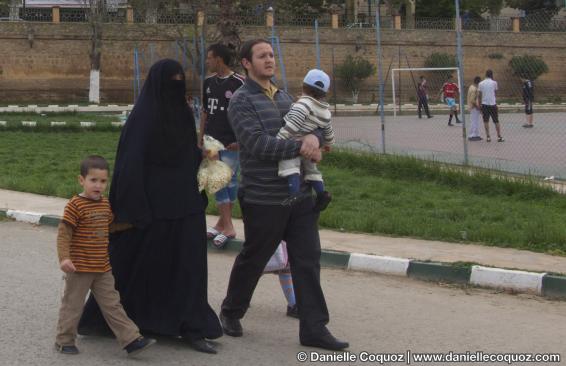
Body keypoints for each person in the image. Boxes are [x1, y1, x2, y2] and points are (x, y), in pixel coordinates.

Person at [78, 59, 223, 354]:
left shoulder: (182, 113)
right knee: (141, 266)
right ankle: (119, 320)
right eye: (171, 82)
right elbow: (130, 165)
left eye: (180, 82)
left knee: (188, 267)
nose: (176, 88)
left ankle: (191, 326)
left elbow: (183, 154)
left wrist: (204, 157)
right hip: (152, 207)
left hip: (185, 204)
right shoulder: (143, 117)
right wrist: (133, 208)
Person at [219, 39, 349, 351]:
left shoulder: (286, 97)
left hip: (300, 194)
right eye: (262, 56)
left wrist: (315, 138)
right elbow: (257, 144)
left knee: (307, 259)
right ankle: (231, 311)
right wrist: (300, 145)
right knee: (255, 256)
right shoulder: (240, 101)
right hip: (263, 197)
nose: (269, 60)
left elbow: (312, 127)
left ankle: (314, 329)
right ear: (247, 63)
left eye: (271, 55)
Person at [55, 155, 155, 356]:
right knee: (72, 306)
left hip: (102, 268)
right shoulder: (75, 205)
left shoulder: (104, 204)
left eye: (102, 181)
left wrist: (131, 224)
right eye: (93, 180)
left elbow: (108, 227)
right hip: (80, 268)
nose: (98, 185)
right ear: (81, 180)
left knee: (113, 305)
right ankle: (64, 340)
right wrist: (64, 258)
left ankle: (131, 340)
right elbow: (64, 233)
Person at [199, 43, 245, 248]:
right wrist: (200, 137)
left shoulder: (239, 83)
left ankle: (224, 225)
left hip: (232, 142)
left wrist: (241, 139)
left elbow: (246, 114)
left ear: (218, 59)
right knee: (218, 181)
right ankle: (226, 225)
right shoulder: (208, 82)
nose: (207, 61)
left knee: (230, 181)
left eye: (209, 58)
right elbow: (204, 112)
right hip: (212, 141)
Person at [277, 68, 335, 211]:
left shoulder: (303, 105)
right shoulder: (325, 111)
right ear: (325, 93)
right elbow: (328, 130)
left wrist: (281, 137)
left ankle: (295, 194)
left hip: (295, 141)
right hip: (311, 148)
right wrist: (328, 143)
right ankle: (322, 193)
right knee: (312, 170)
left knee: (289, 165)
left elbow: (293, 124)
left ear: (303, 86)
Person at [478, 69, 504, 142]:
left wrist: (480, 105)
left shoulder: (481, 83)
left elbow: (479, 95)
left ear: (485, 75)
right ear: (491, 75)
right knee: (496, 121)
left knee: (486, 121)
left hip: (485, 104)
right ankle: (499, 136)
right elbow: (495, 93)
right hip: (492, 104)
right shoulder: (494, 83)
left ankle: (488, 136)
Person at [467, 76, 482, 141]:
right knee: (474, 121)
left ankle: (476, 134)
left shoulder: (471, 87)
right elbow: (472, 100)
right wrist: (477, 107)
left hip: (472, 107)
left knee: (475, 121)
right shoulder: (474, 89)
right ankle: (472, 135)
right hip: (474, 107)